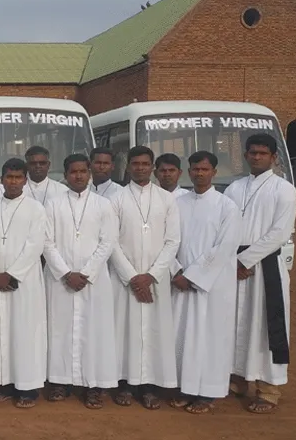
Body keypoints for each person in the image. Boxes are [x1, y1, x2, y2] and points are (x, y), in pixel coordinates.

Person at [224, 133, 296, 414]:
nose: (256, 157)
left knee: (267, 324)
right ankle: (238, 377)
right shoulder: (234, 188)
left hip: (265, 267)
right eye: (252, 152)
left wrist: (246, 260)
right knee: (237, 321)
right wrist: (233, 261)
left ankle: (269, 386)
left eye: (263, 153)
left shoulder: (284, 189)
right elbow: (225, 228)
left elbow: (279, 233)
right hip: (236, 266)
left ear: (274, 157)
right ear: (245, 155)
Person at [43, 154, 119, 409]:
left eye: (83, 171)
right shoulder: (53, 204)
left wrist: (86, 272)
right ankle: (59, 381)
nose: (78, 176)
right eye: (73, 171)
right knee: (59, 330)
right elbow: (47, 242)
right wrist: (66, 273)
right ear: (65, 174)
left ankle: (93, 385)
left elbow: (107, 242)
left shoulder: (103, 205)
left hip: (93, 281)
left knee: (94, 332)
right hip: (60, 280)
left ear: (89, 173)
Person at [169, 151, 241, 414]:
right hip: (180, 283)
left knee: (209, 339)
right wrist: (176, 271)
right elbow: (169, 242)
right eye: (195, 169)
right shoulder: (178, 204)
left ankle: (207, 393)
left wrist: (193, 276)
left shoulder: (227, 206)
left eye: (204, 169)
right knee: (183, 336)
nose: (199, 173)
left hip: (211, 287)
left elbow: (225, 247)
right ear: (188, 172)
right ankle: (184, 388)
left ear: (214, 172)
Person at [109, 146, 180, 409]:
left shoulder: (166, 199)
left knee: (153, 331)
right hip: (124, 280)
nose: (140, 168)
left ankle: (149, 386)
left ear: (152, 167)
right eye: (135, 163)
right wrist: (132, 277)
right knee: (124, 331)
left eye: (145, 163)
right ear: (127, 166)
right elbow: (111, 242)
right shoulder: (116, 199)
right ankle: (125, 384)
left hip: (155, 279)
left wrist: (150, 276)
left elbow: (173, 241)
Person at [0, 158, 49, 409]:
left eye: (18, 177)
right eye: (9, 177)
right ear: (1, 179)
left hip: (23, 281)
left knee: (24, 333)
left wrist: (11, 274)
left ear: (25, 180)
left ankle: (27, 387)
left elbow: (35, 246)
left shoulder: (35, 209)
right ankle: (2, 383)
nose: (13, 182)